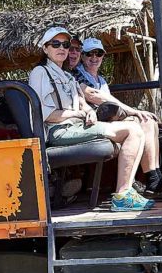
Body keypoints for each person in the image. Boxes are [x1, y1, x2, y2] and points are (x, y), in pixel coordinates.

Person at [28, 27, 153, 212]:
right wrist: (78, 114)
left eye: (65, 44)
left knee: (135, 127)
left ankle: (127, 192)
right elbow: (46, 116)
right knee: (132, 131)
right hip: (58, 131)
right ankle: (122, 195)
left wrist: (88, 111)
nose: (61, 48)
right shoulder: (41, 73)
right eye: (55, 44)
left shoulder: (67, 76)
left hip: (75, 127)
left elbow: (81, 102)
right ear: (45, 48)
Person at [73, 38, 162, 195]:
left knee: (148, 121)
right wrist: (132, 111)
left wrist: (133, 111)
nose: (94, 58)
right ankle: (147, 181)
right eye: (89, 54)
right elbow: (94, 96)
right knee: (139, 123)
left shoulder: (101, 80)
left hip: (108, 118)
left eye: (99, 54)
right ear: (82, 56)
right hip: (92, 121)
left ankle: (154, 176)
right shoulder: (76, 74)